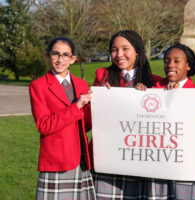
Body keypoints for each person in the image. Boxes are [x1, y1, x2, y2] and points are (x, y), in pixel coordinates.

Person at [91, 30, 167, 200]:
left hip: (139, 160)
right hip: (108, 155)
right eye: (114, 50)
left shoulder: (155, 81)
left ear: (137, 51)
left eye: (125, 49)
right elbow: (92, 118)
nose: (119, 55)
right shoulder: (102, 76)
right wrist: (98, 98)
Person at [29, 36, 96, 199]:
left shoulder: (81, 84)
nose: (60, 60)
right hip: (57, 159)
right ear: (47, 56)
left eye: (66, 55)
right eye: (55, 54)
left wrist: (96, 106)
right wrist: (77, 106)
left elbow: (85, 125)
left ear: (73, 59)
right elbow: (44, 126)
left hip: (81, 158)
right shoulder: (38, 86)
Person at [136, 43, 195, 200]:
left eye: (176, 61)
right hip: (157, 166)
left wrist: (178, 97)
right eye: (167, 60)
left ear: (188, 65)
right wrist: (138, 96)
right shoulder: (152, 89)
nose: (170, 65)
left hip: (186, 166)